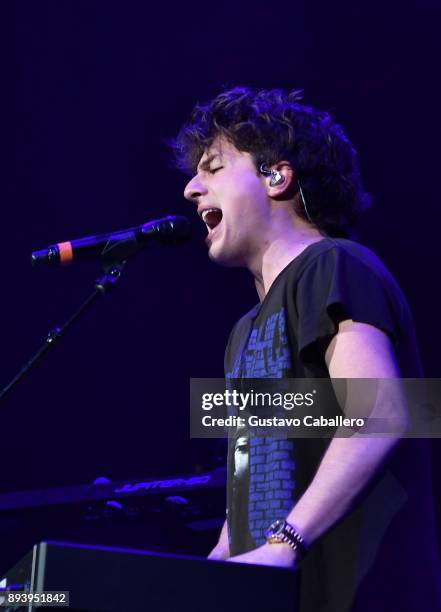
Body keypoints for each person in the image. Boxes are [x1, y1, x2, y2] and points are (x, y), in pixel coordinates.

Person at [172, 87, 441, 612]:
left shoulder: (335, 265)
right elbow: (250, 482)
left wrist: (284, 544)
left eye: (213, 168)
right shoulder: (242, 333)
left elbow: (381, 412)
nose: (189, 189)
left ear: (277, 175)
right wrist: (216, 569)